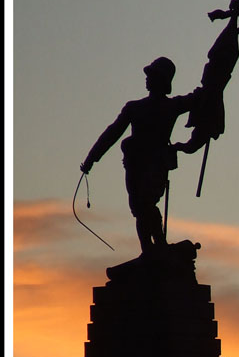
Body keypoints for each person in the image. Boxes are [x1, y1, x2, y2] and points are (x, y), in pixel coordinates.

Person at [80, 57, 202, 254]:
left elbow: (200, 97)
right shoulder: (134, 107)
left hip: (155, 166)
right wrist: (92, 158)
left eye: (151, 75)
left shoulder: (171, 106)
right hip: (134, 165)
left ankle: (158, 245)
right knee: (138, 207)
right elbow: (112, 133)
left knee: (145, 204)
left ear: (161, 80)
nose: (146, 79)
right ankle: (148, 248)